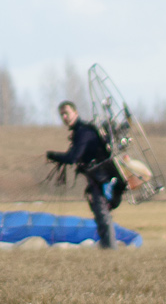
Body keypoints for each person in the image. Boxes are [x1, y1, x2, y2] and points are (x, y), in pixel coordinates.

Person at [46, 99, 123, 248]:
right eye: (62, 115)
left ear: (75, 113)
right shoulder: (81, 131)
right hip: (100, 179)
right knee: (101, 216)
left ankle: (111, 251)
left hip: (103, 180)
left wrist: (52, 155)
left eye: (67, 113)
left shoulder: (84, 132)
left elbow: (72, 157)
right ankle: (108, 249)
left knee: (103, 217)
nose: (64, 118)